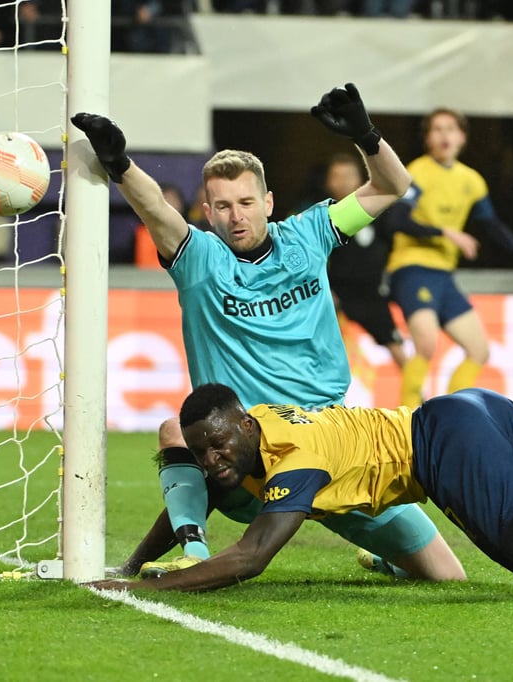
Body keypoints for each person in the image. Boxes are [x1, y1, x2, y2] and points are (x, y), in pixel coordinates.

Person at [70, 83, 466, 583]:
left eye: (246, 202)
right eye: (222, 206)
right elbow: (156, 210)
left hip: (335, 444)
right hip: (249, 458)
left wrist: (366, 136)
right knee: (176, 431)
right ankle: (193, 550)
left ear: (269, 201)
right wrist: (120, 165)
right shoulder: (198, 259)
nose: (236, 217)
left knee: (448, 577)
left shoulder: (310, 232)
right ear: (206, 212)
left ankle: (389, 560)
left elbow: (391, 184)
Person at [88, 360, 513, 595]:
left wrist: (162, 586)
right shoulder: (253, 431)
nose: (211, 461)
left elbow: (253, 557)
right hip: (472, 409)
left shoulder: (296, 457)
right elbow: (192, 497)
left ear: (242, 423)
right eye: (201, 453)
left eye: (217, 445)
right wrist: (136, 562)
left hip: (445, 448)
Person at [382, 107, 513, 409]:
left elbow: (494, 229)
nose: (444, 136)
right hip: (411, 268)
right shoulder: (416, 172)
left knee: (479, 349)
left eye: (451, 129)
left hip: (444, 275)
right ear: (428, 138)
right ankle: (406, 421)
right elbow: (397, 221)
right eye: (437, 130)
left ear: (462, 137)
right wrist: (446, 233)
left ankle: (449, 415)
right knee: (426, 343)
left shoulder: (472, 181)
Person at [296, 153, 408, 368]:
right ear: (328, 182)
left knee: (397, 348)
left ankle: (421, 398)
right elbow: (312, 257)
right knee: (324, 352)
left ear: (360, 179)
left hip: (372, 293)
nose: (343, 181)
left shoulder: (378, 211)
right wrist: (326, 290)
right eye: (337, 176)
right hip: (337, 296)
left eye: (349, 175)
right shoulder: (322, 217)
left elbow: (394, 244)